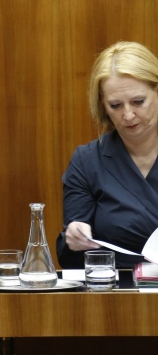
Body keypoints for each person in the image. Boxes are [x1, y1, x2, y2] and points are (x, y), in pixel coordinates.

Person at [57, 41, 158, 268]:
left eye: (138, 102)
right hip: (114, 292)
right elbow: (69, 259)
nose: (128, 115)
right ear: (102, 105)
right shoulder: (88, 161)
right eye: (115, 105)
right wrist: (74, 239)